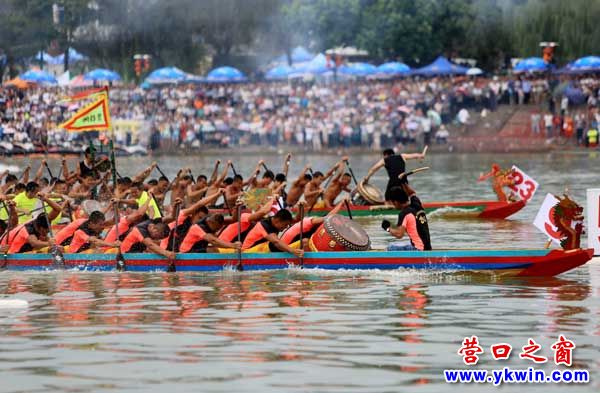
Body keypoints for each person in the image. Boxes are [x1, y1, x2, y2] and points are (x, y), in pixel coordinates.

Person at [382, 184, 431, 251]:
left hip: (418, 250)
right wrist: (403, 182)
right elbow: (412, 193)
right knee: (406, 243)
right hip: (428, 248)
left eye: (393, 203)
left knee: (389, 248)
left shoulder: (404, 213)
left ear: (396, 202)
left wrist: (387, 228)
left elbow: (399, 234)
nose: (393, 206)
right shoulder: (416, 203)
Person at [280, 199, 346, 248]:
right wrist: (341, 203)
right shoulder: (310, 221)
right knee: (306, 241)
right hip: (282, 249)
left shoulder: (309, 224)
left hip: (287, 245)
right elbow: (328, 217)